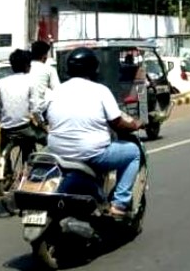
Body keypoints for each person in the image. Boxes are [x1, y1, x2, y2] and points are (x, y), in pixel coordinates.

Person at [45, 47, 142, 217]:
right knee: (133, 152)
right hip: (91, 154)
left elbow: (46, 117)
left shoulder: (56, 91)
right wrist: (134, 125)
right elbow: (117, 122)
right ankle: (119, 204)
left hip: (58, 153)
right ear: (93, 68)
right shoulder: (100, 90)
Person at [0, 49, 44, 190]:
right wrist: (42, 124)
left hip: (7, 129)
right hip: (25, 128)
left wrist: (4, 121)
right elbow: (35, 109)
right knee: (48, 140)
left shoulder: (1, 83)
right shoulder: (30, 81)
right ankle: (33, 171)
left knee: (4, 147)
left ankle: (7, 173)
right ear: (27, 65)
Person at [27, 40, 60, 123]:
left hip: (23, 111)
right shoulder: (49, 69)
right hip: (41, 111)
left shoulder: (26, 68)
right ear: (45, 55)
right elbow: (57, 90)